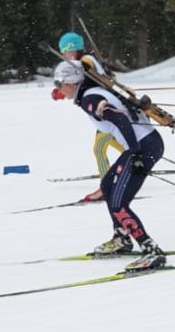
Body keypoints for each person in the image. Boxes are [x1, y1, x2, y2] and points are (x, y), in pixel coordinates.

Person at [51, 58, 166, 270]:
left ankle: (151, 251)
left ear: (70, 83)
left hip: (142, 147)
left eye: (59, 84)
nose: (58, 89)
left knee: (118, 204)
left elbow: (119, 119)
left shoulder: (89, 98)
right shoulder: (91, 90)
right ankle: (122, 238)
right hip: (145, 143)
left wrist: (134, 152)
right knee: (107, 186)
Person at [58, 31, 124, 202]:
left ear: (73, 50)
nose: (65, 56)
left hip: (105, 110)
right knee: (110, 142)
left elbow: (89, 81)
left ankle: (107, 186)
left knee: (99, 148)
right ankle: (135, 161)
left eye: (65, 52)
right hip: (103, 111)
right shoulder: (87, 60)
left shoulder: (86, 61)